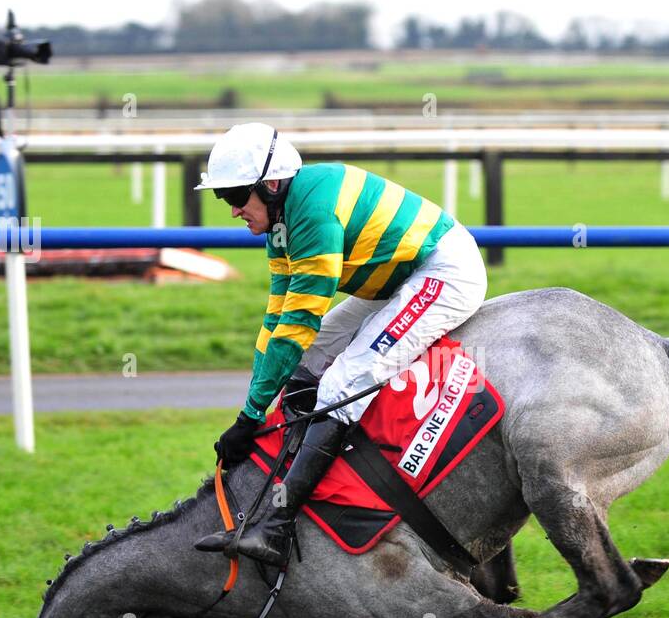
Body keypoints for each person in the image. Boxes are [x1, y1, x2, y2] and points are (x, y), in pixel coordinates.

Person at [192, 123, 488, 567]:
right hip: (399, 279)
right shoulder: (282, 219)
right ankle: (290, 481)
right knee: (306, 361)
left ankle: (277, 528)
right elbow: (277, 318)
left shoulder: (312, 212)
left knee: (340, 384)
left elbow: (300, 320)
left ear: (271, 185)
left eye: (235, 196)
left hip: (442, 272)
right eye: (224, 199)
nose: (233, 211)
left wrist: (250, 415)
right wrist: (252, 406)